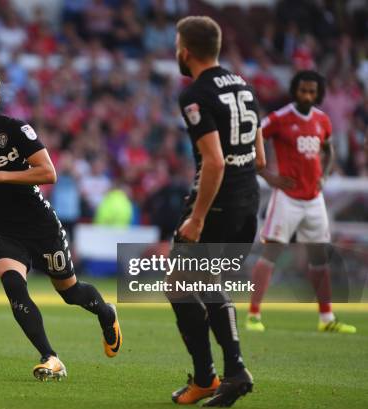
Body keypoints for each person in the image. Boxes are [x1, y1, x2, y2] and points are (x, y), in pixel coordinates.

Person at [0, 68, 122, 381]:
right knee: (13, 284)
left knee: (71, 292)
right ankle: (51, 358)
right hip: (4, 231)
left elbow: (48, 173)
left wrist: (0, 175)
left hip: (41, 226)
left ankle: (106, 313)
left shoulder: (16, 131)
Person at [167, 16, 266, 406]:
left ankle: (225, 373)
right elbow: (258, 157)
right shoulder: (244, 85)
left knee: (183, 283)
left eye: (177, 45)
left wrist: (199, 217)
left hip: (219, 201)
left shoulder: (195, 94)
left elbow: (215, 161)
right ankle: (218, 375)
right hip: (248, 200)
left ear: (185, 51)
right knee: (198, 283)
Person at [246, 70, 356, 334]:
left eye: (312, 91)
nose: (307, 95)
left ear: (318, 93)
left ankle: (326, 318)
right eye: (303, 90)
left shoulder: (322, 120)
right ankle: (253, 315)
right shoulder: (280, 118)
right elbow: (253, 139)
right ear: (294, 90)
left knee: (320, 257)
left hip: (313, 198)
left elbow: (327, 149)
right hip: (287, 198)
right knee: (271, 253)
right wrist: (268, 175)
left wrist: (324, 175)